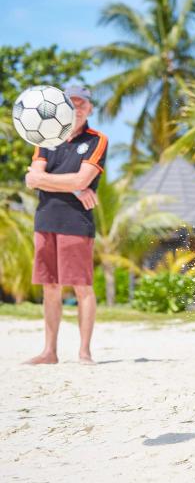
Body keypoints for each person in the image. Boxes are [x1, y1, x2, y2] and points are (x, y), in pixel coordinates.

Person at [23, 85, 107, 365]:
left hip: (76, 222)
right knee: (50, 287)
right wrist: (72, 186)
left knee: (82, 286)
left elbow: (80, 180)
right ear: (64, 106)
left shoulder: (97, 140)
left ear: (91, 108)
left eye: (83, 103)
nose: (78, 107)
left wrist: (70, 184)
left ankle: (84, 352)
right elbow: (32, 177)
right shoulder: (45, 135)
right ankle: (50, 352)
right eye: (73, 102)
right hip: (45, 218)